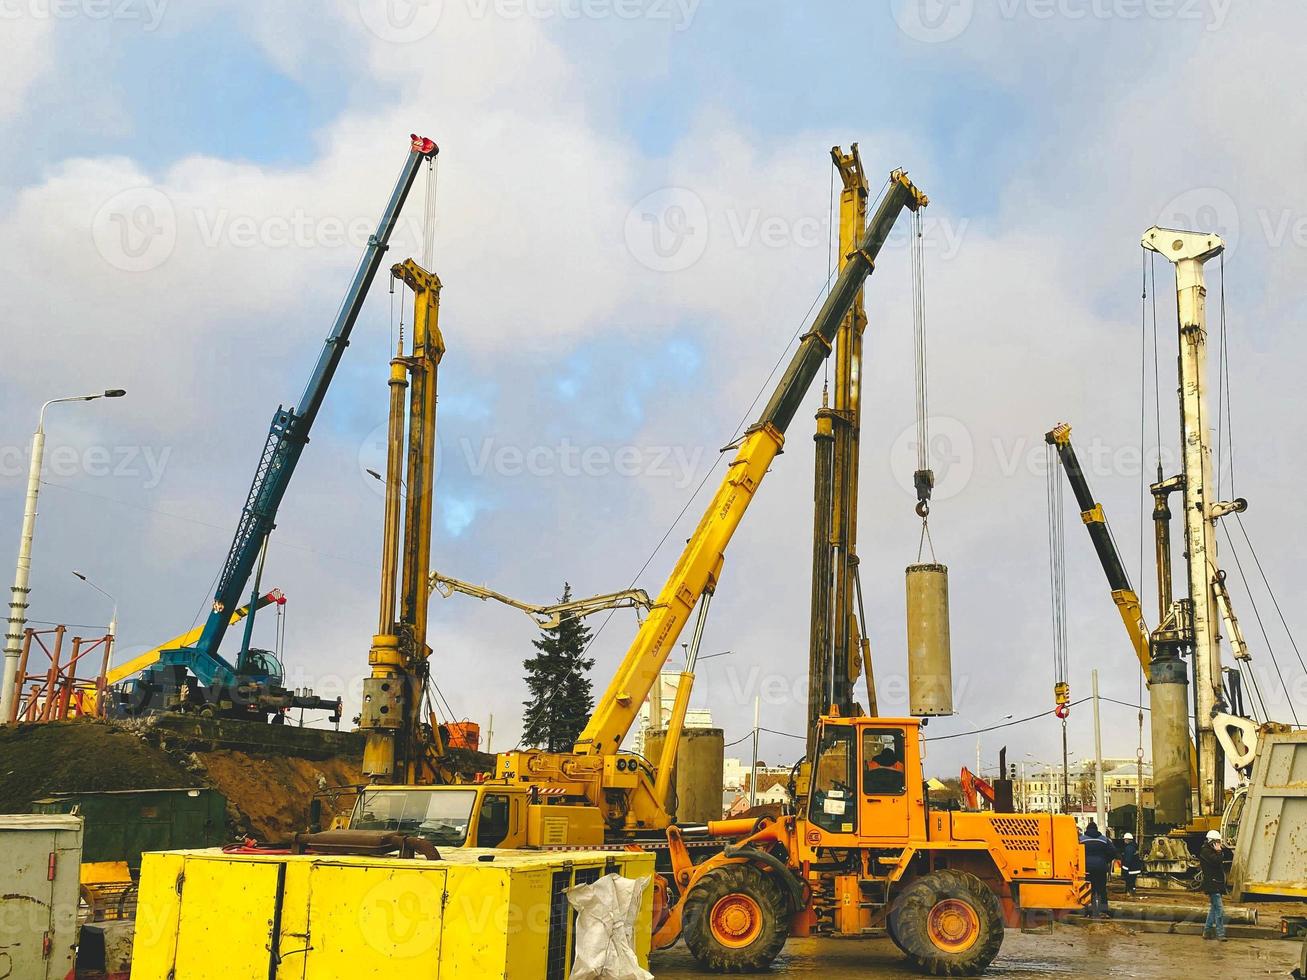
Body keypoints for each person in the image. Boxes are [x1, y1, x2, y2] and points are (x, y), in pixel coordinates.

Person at [1080, 820, 1119, 918]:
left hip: (1086, 868)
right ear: (1097, 830)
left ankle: (1089, 910)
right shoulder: (1104, 839)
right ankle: (1103, 910)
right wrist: (1105, 860)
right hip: (1101, 868)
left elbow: (1075, 852)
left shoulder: (1081, 839)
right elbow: (1113, 852)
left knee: (1088, 890)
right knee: (1101, 890)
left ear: (1087, 830)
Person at [1199, 829, 1228, 941]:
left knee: (1213, 909)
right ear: (1213, 842)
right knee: (1219, 910)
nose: (1220, 844)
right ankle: (1220, 934)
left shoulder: (1209, 851)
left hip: (1215, 884)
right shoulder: (1206, 852)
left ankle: (1207, 931)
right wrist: (1219, 851)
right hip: (1213, 884)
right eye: (1218, 842)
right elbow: (1217, 861)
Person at [1120, 832, 1142, 896]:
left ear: (1127, 839)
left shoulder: (1129, 848)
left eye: (1125, 839)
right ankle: (1132, 891)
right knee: (1132, 881)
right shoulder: (1134, 846)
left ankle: (1130, 892)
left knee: (1129, 881)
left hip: (1131, 868)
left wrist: (1125, 868)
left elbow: (1128, 859)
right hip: (1135, 868)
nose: (1124, 841)